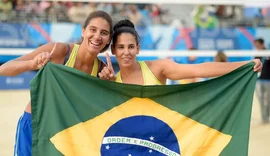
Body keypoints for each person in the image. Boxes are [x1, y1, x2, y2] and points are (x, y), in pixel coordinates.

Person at [0, 10, 113, 156]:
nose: (97, 36)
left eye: (104, 33)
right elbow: (3, 69)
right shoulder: (60, 51)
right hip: (35, 125)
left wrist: (108, 86)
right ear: (83, 31)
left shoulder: (103, 72)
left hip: (63, 133)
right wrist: (31, 64)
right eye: (93, 30)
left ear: (109, 39)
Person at [99, 19, 262, 86]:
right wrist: (110, 87)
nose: (126, 52)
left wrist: (244, 65)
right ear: (113, 50)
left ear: (138, 48)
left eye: (131, 46)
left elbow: (199, 69)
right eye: (121, 47)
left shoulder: (157, 68)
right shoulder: (112, 80)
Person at [254, 38, 270, 123]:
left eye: (257, 45)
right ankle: (264, 119)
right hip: (258, 81)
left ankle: (267, 115)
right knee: (261, 100)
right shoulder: (257, 55)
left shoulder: (268, 53)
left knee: (268, 100)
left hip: (268, 80)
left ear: (262, 44)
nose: (256, 46)